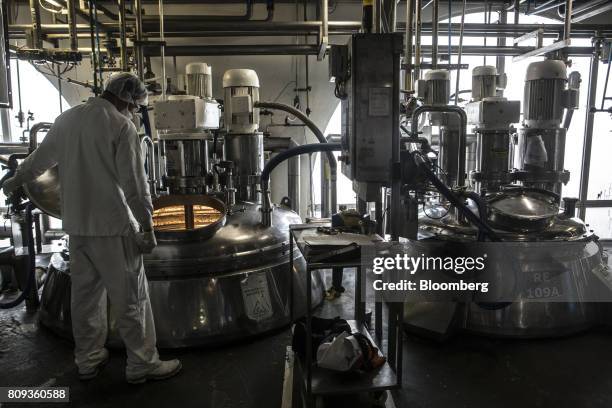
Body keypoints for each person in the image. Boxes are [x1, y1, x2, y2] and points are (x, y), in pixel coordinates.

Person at [2, 72, 181, 384]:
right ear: (126, 99)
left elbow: (37, 161)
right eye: (136, 107)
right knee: (131, 301)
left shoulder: (67, 119)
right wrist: (148, 226)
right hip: (113, 228)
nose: (135, 113)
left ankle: (88, 360)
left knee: (84, 300)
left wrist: (13, 181)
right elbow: (135, 186)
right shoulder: (120, 126)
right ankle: (142, 364)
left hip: (77, 227)